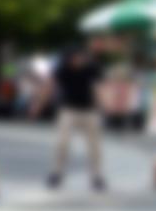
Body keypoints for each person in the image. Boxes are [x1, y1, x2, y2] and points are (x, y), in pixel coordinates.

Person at [42, 43, 109, 191]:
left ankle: (96, 176)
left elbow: (98, 88)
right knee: (62, 142)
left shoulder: (92, 68)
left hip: (89, 110)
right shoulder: (62, 69)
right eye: (74, 58)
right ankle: (57, 173)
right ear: (68, 59)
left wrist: (103, 106)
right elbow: (50, 85)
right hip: (68, 109)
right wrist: (39, 104)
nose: (78, 61)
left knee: (94, 145)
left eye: (80, 58)